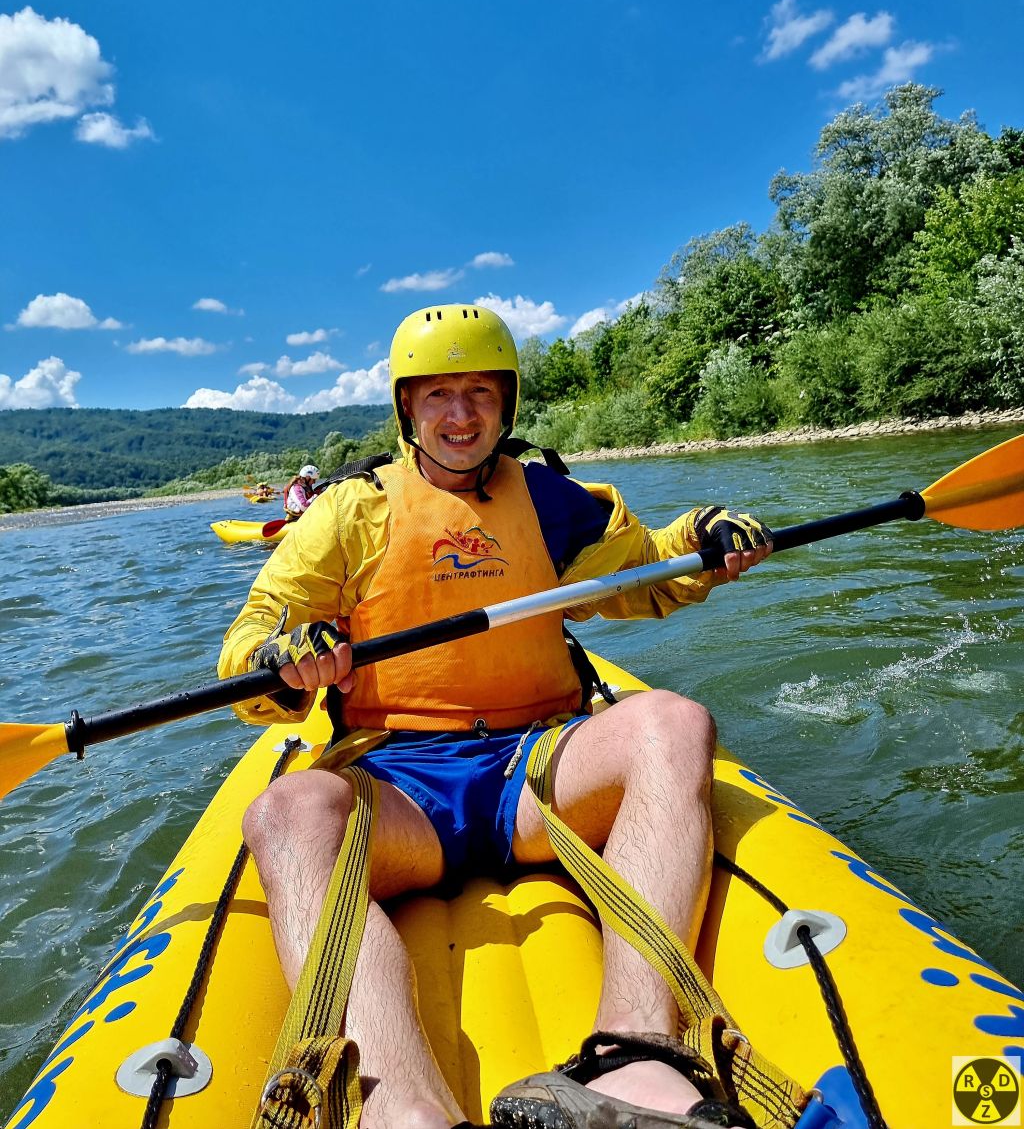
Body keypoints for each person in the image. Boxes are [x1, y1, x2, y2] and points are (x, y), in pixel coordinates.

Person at [219, 304, 772, 1129]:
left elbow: (648, 570)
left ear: (507, 403)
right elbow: (249, 646)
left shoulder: (550, 499)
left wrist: (707, 537)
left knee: (674, 722)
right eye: (438, 393)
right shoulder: (345, 513)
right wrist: (285, 660)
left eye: (480, 390)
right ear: (407, 408)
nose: (460, 413)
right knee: (285, 811)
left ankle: (634, 1055)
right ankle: (402, 1107)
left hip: (537, 770)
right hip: (399, 780)